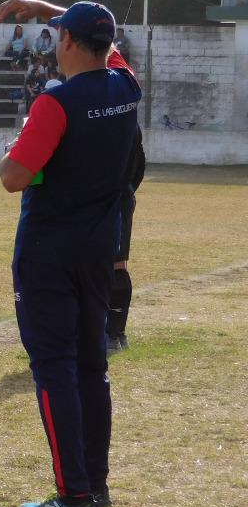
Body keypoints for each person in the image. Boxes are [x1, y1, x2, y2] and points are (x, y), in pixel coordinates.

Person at [0, 0, 141, 507]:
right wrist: (47, 7)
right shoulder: (124, 87)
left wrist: (11, 152)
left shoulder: (55, 104)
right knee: (90, 368)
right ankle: (94, 484)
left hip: (48, 254)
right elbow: (110, 42)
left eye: (60, 33)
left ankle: (74, 492)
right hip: (98, 249)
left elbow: (13, 178)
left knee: (54, 368)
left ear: (71, 43)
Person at [107, 130, 146, 354]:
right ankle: (111, 332)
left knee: (116, 264)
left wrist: (125, 190)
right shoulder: (124, 114)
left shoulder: (116, 116)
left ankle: (114, 333)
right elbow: (141, 162)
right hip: (116, 198)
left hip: (115, 199)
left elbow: (138, 161)